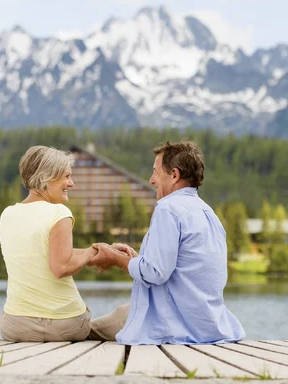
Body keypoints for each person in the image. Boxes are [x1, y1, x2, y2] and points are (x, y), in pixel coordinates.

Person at [89, 140, 246, 344]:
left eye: (156, 172)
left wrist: (115, 259)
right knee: (120, 314)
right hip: (207, 324)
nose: (151, 179)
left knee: (86, 330)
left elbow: (155, 272)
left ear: (174, 175)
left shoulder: (168, 208)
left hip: (173, 326)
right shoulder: (208, 212)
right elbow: (183, 268)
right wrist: (138, 260)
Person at [0, 145, 131, 342]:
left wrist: (98, 250)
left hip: (15, 327)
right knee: (124, 315)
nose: (72, 183)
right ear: (48, 177)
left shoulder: (8, 214)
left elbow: (47, 253)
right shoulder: (59, 213)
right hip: (65, 326)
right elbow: (60, 266)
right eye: (67, 176)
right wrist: (93, 251)